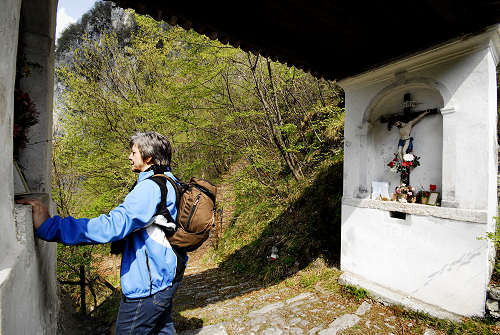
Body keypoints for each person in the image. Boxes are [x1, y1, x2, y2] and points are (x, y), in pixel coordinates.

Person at [17, 132, 186, 335]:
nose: (129, 157)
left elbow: (112, 226)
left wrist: (51, 227)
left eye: (133, 152)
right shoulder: (168, 180)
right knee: (161, 329)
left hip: (149, 283)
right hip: (165, 275)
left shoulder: (150, 188)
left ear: (148, 157)